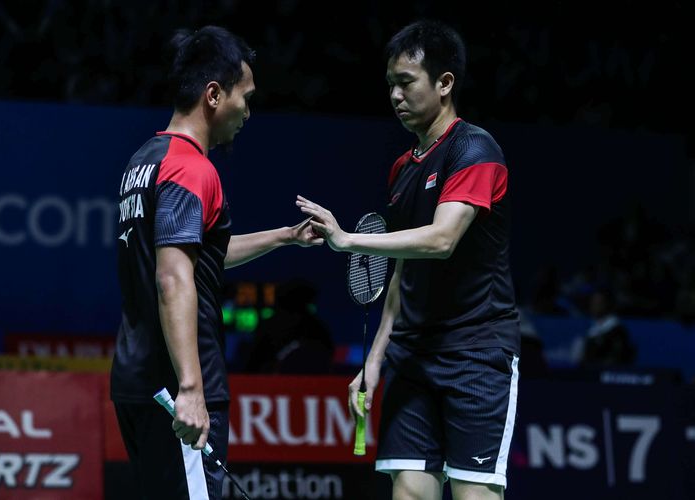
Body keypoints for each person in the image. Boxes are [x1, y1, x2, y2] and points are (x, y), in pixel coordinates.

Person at [297, 20, 520, 500]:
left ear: (444, 84)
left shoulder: (475, 150)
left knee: (473, 495)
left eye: (406, 83)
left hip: (476, 354)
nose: (395, 96)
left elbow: (441, 240)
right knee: (411, 492)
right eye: (390, 85)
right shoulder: (403, 168)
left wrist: (348, 240)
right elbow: (403, 274)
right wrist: (374, 361)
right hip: (412, 358)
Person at [110, 26, 322, 500]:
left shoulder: (145, 160)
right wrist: (190, 388)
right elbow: (172, 277)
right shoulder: (191, 168)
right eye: (244, 97)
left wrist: (286, 237)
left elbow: (200, 256)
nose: (248, 110)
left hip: (137, 380)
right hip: (176, 386)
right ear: (213, 94)